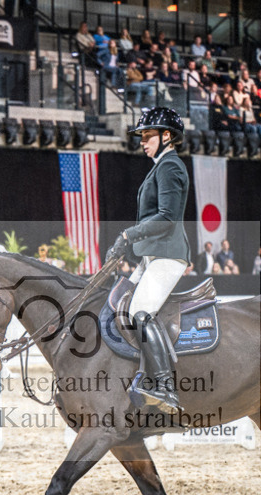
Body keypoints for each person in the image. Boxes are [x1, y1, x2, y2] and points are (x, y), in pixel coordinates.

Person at [104, 107, 190, 411]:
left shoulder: (170, 167)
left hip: (169, 255)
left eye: (148, 135)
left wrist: (129, 235)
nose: (142, 141)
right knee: (118, 300)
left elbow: (167, 217)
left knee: (140, 312)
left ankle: (165, 386)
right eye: (141, 136)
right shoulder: (159, 166)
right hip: (153, 255)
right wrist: (129, 248)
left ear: (167, 136)